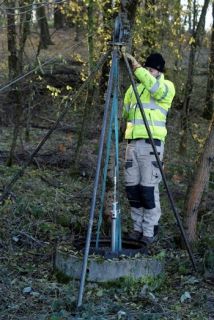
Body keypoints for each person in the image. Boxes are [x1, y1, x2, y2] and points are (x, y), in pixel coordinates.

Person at [122, 52, 175, 244]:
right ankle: (136, 229)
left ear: (159, 71)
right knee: (133, 190)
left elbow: (156, 90)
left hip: (151, 146)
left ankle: (149, 232)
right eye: (147, 69)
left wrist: (137, 67)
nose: (148, 72)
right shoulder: (133, 89)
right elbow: (126, 113)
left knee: (148, 190)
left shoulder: (166, 87)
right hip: (132, 144)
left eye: (151, 70)